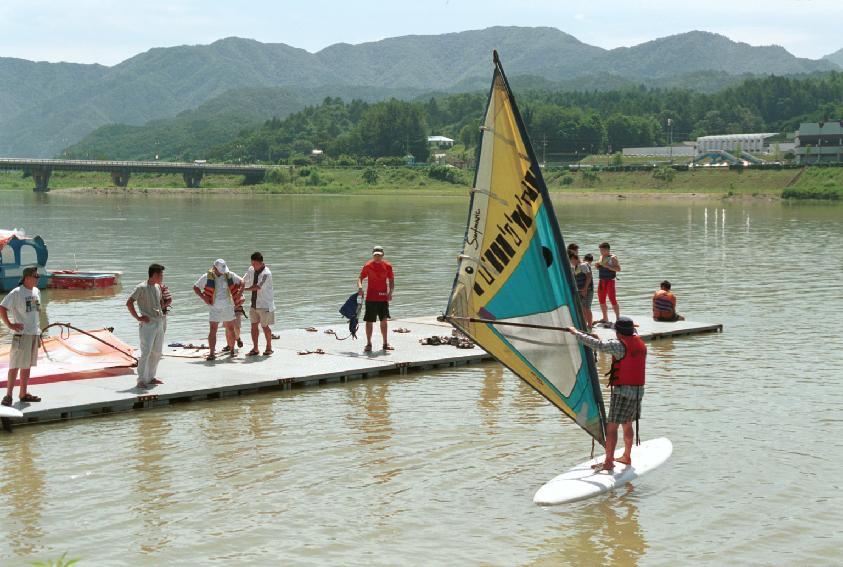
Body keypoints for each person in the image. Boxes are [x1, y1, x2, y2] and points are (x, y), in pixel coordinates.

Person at [564, 316, 645, 472]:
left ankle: (609, 462)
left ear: (619, 333)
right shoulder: (639, 343)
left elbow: (599, 345)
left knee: (612, 427)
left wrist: (575, 333)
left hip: (622, 392)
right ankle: (627, 456)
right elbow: (609, 344)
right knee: (627, 423)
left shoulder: (619, 345)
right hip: (637, 391)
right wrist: (595, 336)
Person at [0, 266, 43, 406]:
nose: (37, 279)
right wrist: (10, 325)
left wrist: (39, 332)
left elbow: (37, 312)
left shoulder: (37, 291)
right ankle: (8, 396)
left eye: (38, 277)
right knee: (15, 365)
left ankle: (23, 393)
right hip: (21, 334)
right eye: (35, 277)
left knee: (27, 365)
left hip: (33, 334)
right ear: (27, 278)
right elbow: (2, 307)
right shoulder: (17, 292)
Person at [193, 259, 244, 360]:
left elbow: (242, 282)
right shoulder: (207, 277)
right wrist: (203, 298)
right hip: (214, 307)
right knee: (213, 330)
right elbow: (196, 287)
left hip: (228, 306)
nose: (222, 271)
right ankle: (212, 353)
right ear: (215, 268)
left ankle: (232, 350)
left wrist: (239, 293)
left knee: (230, 329)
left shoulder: (229, 274)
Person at [126, 263, 167, 389]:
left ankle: (151, 377)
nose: (162, 277)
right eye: (160, 275)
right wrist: (138, 317)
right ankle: (141, 380)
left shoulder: (157, 287)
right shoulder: (141, 287)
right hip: (148, 324)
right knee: (146, 351)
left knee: (157, 352)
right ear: (154, 274)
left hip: (159, 321)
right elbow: (129, 303)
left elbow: (159, 303)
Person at [357, 245, 394, 353]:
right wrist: (360, 287)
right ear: (373, 255)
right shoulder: (368, 265)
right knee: (369, 321)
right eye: (375, 255)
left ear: (382, 255)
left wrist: (390, 292)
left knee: (384, 321)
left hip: (383, 297)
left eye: (379, 255)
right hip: (371, 298)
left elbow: (391, 280)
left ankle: (385, 343)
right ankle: (368, 343)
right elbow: (360, 277)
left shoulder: (388, 266)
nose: (377, 257)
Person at [242, 251, 276, 356]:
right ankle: (255, 349)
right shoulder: (251, 269)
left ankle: (269, 347)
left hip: (264, 304)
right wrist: (237, 285)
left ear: (261, 263)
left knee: (264, 326)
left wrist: (243, 289)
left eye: (255, 264)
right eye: (252, 263)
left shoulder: (267, 273)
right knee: (253, 326)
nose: (253, 266)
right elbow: (243, 279)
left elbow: (258, 286)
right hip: (254, 304)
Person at [594, 242, 621, 325]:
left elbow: (618, 269)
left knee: (612, 299)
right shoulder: (601, 257)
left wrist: (608, 267)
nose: (601, 252)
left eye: (602, 250)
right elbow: (599, 266)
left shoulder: (613, 258)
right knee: (601, 299)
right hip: (601, 281)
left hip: (610, 281)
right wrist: (597, 265)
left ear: (607, 250)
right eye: (600, 250)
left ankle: (618, 319)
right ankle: (605, 318)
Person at [569, 251, 593, 329]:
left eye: (571, 260)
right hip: (580, 290)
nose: (571, 262)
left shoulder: (583, 265)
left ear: (574, 258)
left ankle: (590, 325)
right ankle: (585, 324)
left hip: (587, 290)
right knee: (582, 308)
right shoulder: (575, 267)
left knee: (586, 307)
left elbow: (589, 277)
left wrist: (585, 289)